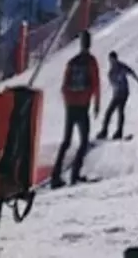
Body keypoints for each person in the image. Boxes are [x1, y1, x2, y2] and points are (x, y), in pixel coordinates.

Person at [52, 31, 101, 187]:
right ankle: (75, 174)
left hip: (70, 105)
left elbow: (64, 84)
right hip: (83, 105)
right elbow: (96, 83)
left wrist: (68, 100)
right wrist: (96, 103)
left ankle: (55, 176)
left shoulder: (72, 61)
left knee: (66, 141)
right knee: (84, 141)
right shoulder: (91, 61)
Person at [98, 51, 138, 140]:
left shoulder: (121, 67)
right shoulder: (111, 72)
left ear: (116, 59)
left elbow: (130, 71)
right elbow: (112, 83)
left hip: (124, 93)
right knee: (110, 112)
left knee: (119, 111)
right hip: (117, 94)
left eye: (113, 59)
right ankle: (105, 131)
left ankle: (117, 131)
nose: (111, 62)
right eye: (110, 60)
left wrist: (137, 78)